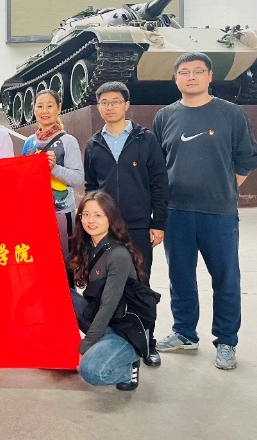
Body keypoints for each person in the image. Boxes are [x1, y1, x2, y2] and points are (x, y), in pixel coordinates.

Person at [152, 52, 257, 371]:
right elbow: (156, 165)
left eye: (198, 71)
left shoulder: (231, 114)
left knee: (225, 278)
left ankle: (226, 340)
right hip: (176, 212)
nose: (191, 77)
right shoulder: (164, 117)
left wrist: (226, 185)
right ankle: (185, 333)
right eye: (184, 72)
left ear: (210, 76)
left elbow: (248, 158)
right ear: (176, 79)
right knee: (180, 276)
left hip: (219, 213)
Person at [83, 80, 168, 367]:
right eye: (104, 102)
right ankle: (115, 342)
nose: (110, 107)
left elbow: (159, 183)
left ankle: (147, 342)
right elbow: (91, 188)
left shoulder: (146, 140)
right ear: (98, 107)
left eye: (116, 101)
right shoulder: (94, 144)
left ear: (127, 105)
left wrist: (158, 222)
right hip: (105, 230)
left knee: (140, 285)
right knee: (105, 286)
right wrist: (93, 223)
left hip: (139, 226)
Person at [70, 191, 146, 391]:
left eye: (98, 215)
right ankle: (100, 345)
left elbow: (108, 306)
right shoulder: (87, 245)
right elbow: (55, 270)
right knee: (58, 294)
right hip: (100, 319)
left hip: (124, 329)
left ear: (110, 218)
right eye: (86, 214)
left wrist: (84, 347)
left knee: (90, 371)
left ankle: (128, 364)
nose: (90, 220)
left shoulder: (118, 255)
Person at [20, 89, 84, 258]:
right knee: (39, 261)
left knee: (63, 261)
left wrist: (54, 168)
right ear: (34, 110)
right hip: (34, 213)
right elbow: (23, 178)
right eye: (40, 106)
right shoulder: (29, 143)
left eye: (50, 106)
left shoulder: (68, 141)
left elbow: (78, 178)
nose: (45, 111)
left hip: (61, 213)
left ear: (59, 108)